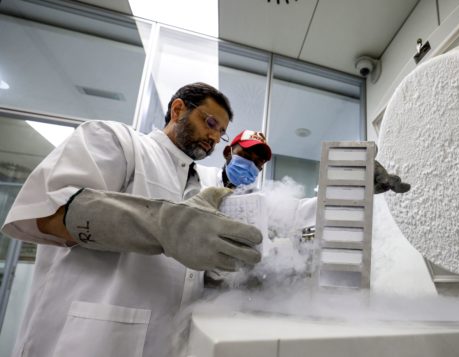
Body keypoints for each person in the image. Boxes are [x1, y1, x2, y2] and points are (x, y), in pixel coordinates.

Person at [1, 82, 263, 357]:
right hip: (90, 340)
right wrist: (163, 226)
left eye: (221, 133)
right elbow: (48, 213)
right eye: (210, 122)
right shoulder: (116, 140)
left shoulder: (205, 182)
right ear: (177, 110)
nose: (213, 136)